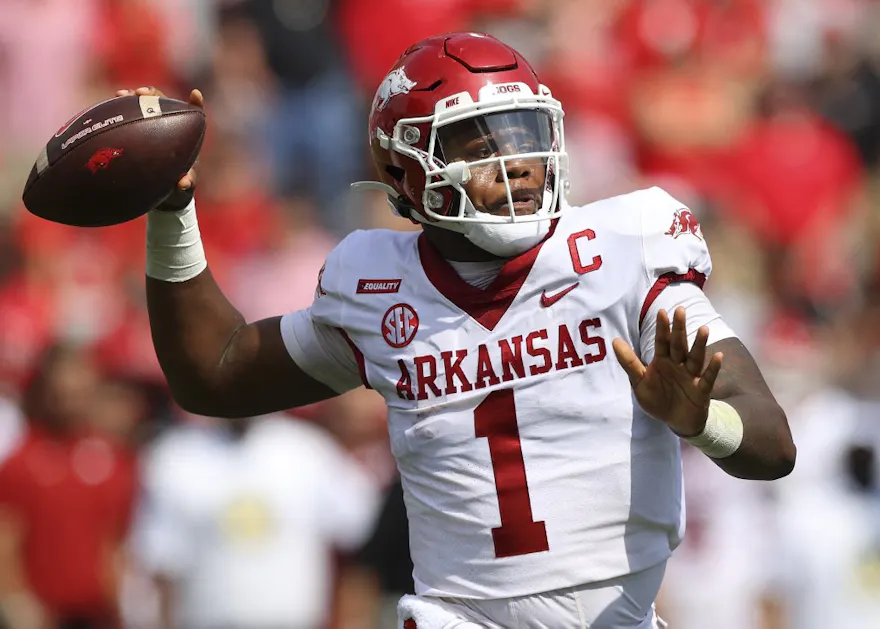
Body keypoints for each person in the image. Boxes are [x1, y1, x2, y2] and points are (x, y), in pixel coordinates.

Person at [116, 31, 796, 629]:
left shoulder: (625, 249)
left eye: (527, 134)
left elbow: (771, 444)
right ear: (400, 167)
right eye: (481, 141)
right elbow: (215, 372)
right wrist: (172, 209)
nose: (518, 163)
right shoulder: (373, 286)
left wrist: (702, 419)